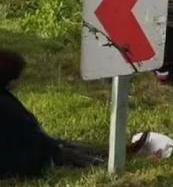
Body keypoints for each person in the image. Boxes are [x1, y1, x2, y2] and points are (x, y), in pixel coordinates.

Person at [0, 49, 102, 178]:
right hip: (17, 160)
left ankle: (108, 152)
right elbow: (30, 138)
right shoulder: (5, 105)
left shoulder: (5, 100)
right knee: (63, 150)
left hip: (21, 150)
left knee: (64, 146)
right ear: (11, 80)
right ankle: (104, 157)